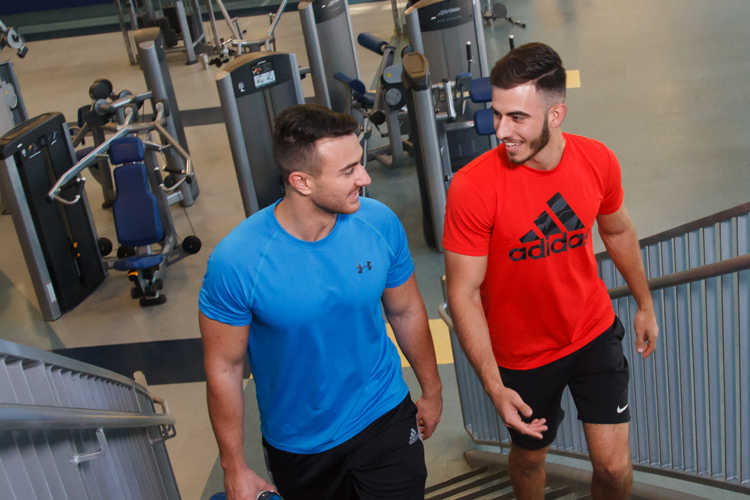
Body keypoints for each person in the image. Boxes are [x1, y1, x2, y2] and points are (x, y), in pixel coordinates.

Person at [442, 43, 659, 500]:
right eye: (497, 115)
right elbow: (463, 292)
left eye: (517, 118)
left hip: (591, 330)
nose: (501, 131)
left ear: (555, 115)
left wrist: (644, 302)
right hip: (523, 355)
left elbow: (616, 231)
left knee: (615, 468)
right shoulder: (472, 188)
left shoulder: (597, 160)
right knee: (531, 458)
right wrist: (493, 384)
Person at [199, 104, 443, 500]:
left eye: (360, 164)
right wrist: (234, 467)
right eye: (348, 171)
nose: (364, 178)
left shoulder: (378, 223)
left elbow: (406, 309)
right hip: (298, 443)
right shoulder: (238, 261)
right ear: (302, 181)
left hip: (383, 414)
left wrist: (431, 390)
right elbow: (224, 368)